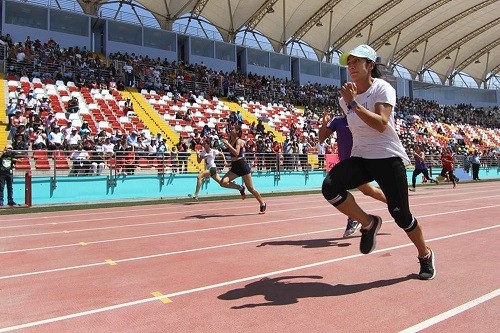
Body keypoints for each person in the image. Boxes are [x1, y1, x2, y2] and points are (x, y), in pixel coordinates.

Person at [321, 44, 435, 280]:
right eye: (349, 63)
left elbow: (381, 123)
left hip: (387, 158)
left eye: (356, 62)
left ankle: (425, 255)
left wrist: (353, 103)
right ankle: (369, 223)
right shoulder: (345, 98)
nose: (351, 67)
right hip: (361, 157)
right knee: (330, 186)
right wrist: (346, 105)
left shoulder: (382, 89)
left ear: (370, 65)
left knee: (402, 216)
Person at [319, 110, 387, 238]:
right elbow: (322, 138)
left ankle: (354, 218)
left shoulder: (360, 118)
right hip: (345, 163)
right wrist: (324, 123)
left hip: (358, 161)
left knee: (340, 188)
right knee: (368, 190)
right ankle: (395, 204)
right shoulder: (337, 121)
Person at [221, 125, 267, 214]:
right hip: (235, 166)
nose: (231, 129)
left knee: (251, 188)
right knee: (223, 182)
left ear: (238, 131)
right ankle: (240, 188)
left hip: (242, 166)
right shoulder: (231, 140)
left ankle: (262, 203)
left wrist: (227, 144)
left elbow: (237, 153)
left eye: (233, 128)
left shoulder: (239, 141)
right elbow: (231, 153)